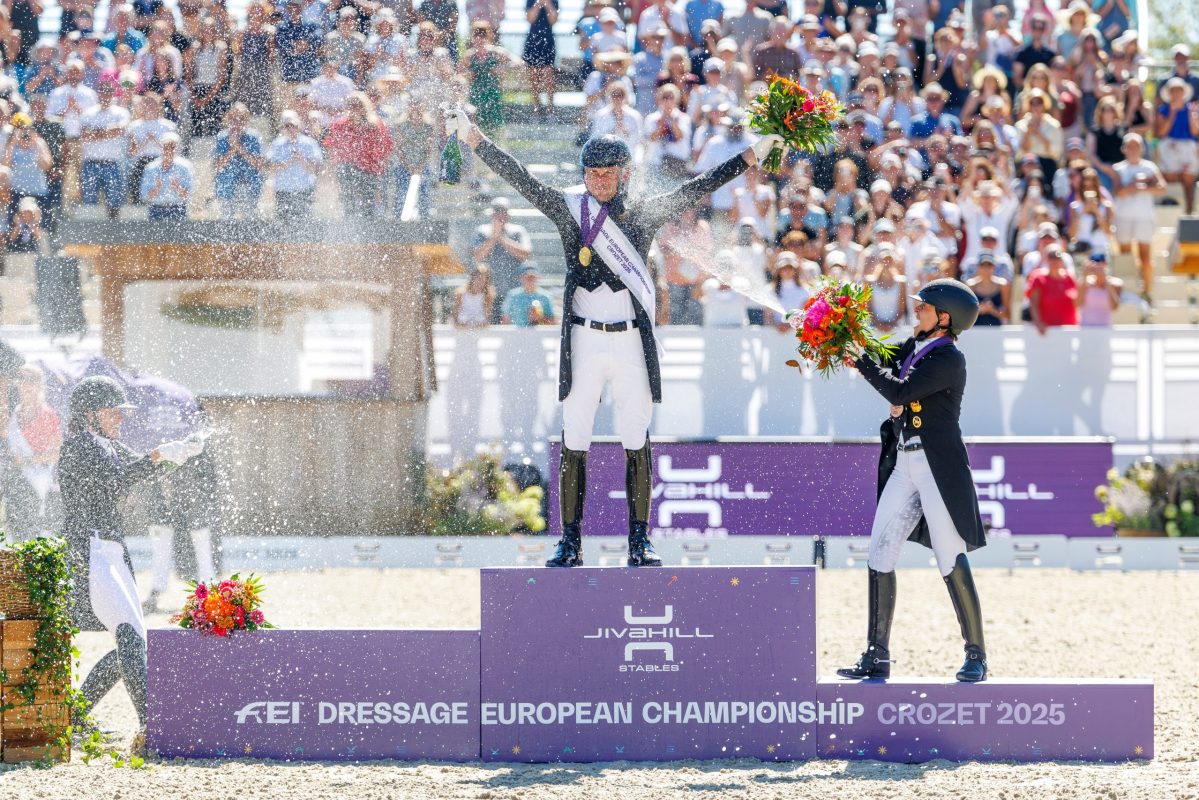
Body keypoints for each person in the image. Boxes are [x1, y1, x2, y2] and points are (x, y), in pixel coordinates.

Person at [447, 109, 778, 567]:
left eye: (607, 174)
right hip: (583, 341)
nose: (599, 181)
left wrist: (751, 156)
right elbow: (521, 178)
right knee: (573, 439)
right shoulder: (570, 206)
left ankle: (639, 540)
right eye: (592, 174)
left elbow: (698, 186)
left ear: (624, 175)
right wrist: (476, 139)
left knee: (636, 438)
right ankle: (570, 541)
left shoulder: (643, 211)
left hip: (629, 343)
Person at [838, 279, 989, 684]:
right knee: (879, 551)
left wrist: (863, 364)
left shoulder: (948, 359)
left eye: (924, 308)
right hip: (905, 463)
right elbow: (879, 353)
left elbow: (897, 389)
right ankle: (876, 654)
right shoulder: (915, 346)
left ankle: (977, 654)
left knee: (949, 556)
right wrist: (841, 329)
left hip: (937, 469)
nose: (916, 311)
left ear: (945, 319)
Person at [58, 376, 205, 754]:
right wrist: (158, 456)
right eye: (114, 412)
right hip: (89, 548)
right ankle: (149, 725)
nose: (121, 418)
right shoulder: (79, 446)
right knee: (128, 634)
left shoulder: (105, 444)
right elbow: (117, 481)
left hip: (111, 550)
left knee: (133, 642)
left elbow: (138, 470)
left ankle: (75, 714)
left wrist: (176, 457)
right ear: (90, 414)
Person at [4, 365, 62, 541]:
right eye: (22, 381)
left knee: (35, 535)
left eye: (31, 381)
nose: (26, 386)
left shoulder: (47, 414)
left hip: (39, 483)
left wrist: (28, 461)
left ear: (39, 385)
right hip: (16, 483)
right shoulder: (14, 413)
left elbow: (57, 452)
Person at [473, 197, 533, 323]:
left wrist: (501, 238)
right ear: (491, 214)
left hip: (515, 292)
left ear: (508, 215)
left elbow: (526, 254)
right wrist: (493, 238)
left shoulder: (518, 231)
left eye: (503, 212)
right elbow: (478, 256)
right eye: (497, 212)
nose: (500, 215)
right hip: (489, 293)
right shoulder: (482, 231)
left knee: (515, 331)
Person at [268, 109, 322, 218]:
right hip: (283, 191)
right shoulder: (277, 144)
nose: (291, 129)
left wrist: (301, 159)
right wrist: (289, 161)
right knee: (283, 225)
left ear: (299, 126)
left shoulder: (309, 143)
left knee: (305, 224)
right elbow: (271, 168)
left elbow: (314, 169)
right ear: (283, 128)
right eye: (288, 126)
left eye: (294, 126)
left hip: (304, 190)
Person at [139, 131, 192, 220]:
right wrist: (157, 188)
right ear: (160, 148)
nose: (169, 151)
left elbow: (188, 195)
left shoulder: (185, 167)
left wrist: (176, 187)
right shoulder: (151, 168)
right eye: (166, 147)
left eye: (172, 147)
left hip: (178, 209)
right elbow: (145, 196)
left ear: (177, 149)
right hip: (156, 210)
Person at [1076, 251, 1121, 327]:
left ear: (1106, 264)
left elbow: (1114, 307)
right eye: (1094, 262)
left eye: (1100, 262)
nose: (1097, 265)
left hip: (1106, 328)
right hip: (1085, 328)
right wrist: (1085, 276)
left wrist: (1105, 281)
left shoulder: (1116, 283)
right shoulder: (1084, 282)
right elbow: (1077, 304)